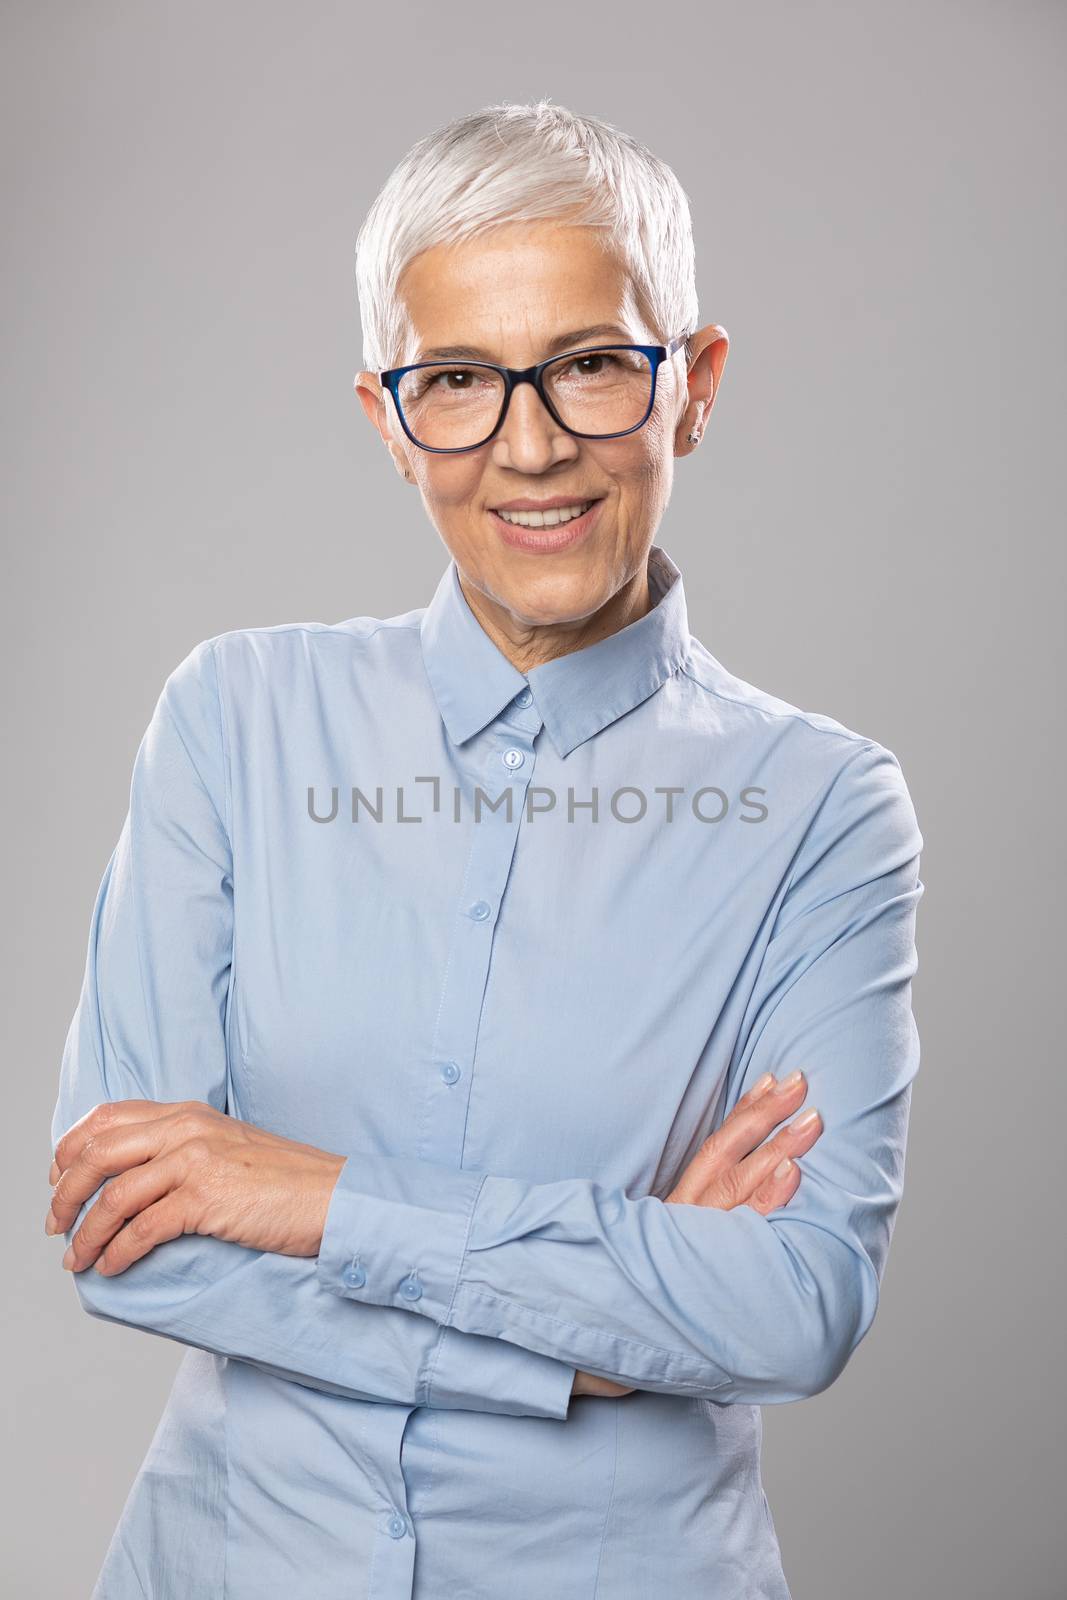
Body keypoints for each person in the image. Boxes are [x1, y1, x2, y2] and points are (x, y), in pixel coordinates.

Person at [46, 100, 924, 1599]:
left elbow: (792, 1304)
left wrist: (320, 1199)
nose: (530, 448)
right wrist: (588, 1355)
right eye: (456, 380)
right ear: (390, 421)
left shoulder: (825, 809)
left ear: (692, 387)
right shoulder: (234, 719)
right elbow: (132, 1230)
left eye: (589, 364)